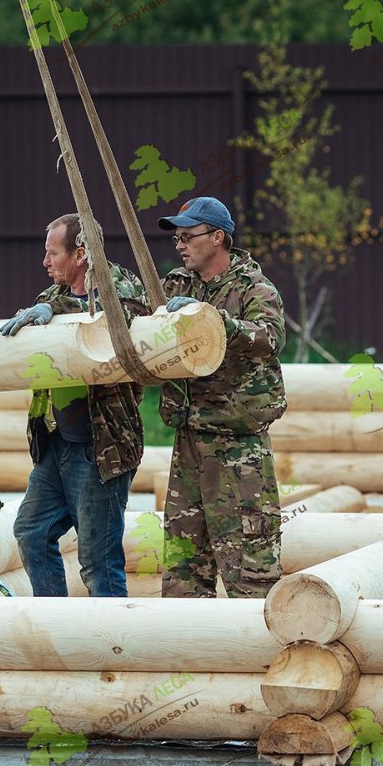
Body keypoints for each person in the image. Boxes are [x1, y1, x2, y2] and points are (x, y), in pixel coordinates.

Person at [0, 213, 147, 597]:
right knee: (32, 534)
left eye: (53, 253)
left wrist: (57, 315)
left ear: (81, 254)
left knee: (98, 559)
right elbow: (10, 335)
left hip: (101, 447)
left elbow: (120, 323)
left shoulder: (121, 286)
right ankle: (56, 627)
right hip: (55, 444)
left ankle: (113, 649)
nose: (45, 262)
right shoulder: (51, 298)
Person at [153, 196, 286, 598]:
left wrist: (212, 319)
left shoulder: (254, 287)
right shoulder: (177, 284)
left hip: (238, 449)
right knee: (182, 573)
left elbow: (270, 337)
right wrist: (58, 306)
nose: (180, 244)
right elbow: (132, 314)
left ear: (217, 237)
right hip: (189, 441)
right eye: (176, 237)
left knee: (250, 573)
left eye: (188, 236)